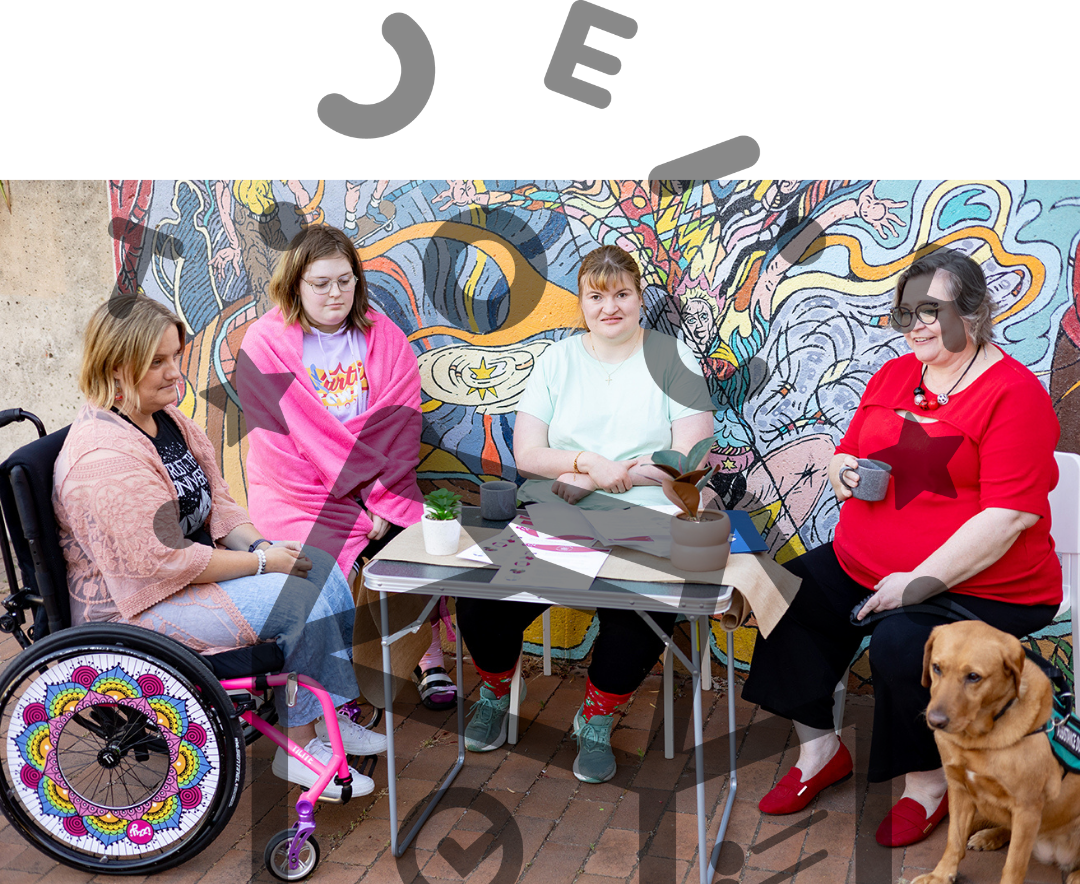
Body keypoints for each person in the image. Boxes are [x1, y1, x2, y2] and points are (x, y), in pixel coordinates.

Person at [742, 246, 1062, 846]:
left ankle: (929, 787)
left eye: (931, 310)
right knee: (781, 594)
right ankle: (820, 753)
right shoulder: (895, 375)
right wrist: (843, 470)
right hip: (862, 563)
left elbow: (1009, 516)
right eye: (906, 311)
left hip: (982, 585)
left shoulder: (1013, 393)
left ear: (973, 313)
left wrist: (917, 582)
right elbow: (850, 447)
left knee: (901, 644)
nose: (916, 324)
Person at [53, 294, 377, 799]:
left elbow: (219, 506)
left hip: (178, 579)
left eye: (175, 356)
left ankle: (323, 713)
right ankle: (303, 748)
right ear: (117, 367)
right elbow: (160, 563)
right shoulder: (102, 460)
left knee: (321, 571)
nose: (173, 372)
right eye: (156, 362)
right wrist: (262, 563)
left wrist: (266, 546)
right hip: (134, 605)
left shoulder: (167, 421)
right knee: (302, 599)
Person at [454, 244, 715, 782]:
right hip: (556, 514)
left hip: (646, 519)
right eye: (597, 296)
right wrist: (585, 461)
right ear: (582, 302)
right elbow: (528, 454)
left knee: (641, 615)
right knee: (480, 600)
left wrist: (592, 475)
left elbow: (687, 458)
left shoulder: (674, 358)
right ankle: (497, 692)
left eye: (621, 293)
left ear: (640, 298)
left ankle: (594, 720)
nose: (609, 306)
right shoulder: (558, 360)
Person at [239, 224, 457, 711]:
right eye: (320, 283)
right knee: (316, 570)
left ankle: (427, 658)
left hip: (380, 484)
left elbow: (401, 427)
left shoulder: (385, 338)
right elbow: (283, 450)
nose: (335, 293)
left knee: (418, 542)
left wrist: (380, 495)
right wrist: (360, 507)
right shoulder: (265, 345)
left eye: (345, 280)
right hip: (298, 494)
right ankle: (328, 685)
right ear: (295, 284)